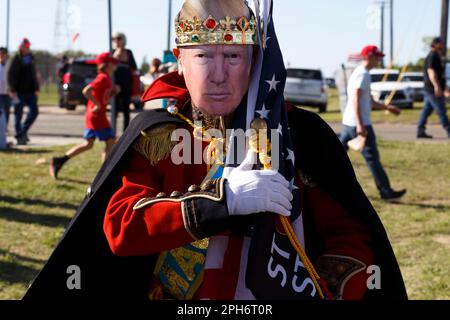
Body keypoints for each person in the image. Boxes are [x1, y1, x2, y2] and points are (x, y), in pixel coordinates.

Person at [24, 0, 407, 301]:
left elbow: (351, 238)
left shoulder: (298, 134)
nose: (219, 74)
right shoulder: (158, 134)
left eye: (233, 56)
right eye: (205, 56)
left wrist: (326, 290)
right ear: (180, 58)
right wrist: (219, 203)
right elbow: (122, 229)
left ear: (255, 59)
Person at [340, 45, 406, 202]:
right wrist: (361, 125)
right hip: (359, 124)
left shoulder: (360, 73)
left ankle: (320, 183)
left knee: (336, 155)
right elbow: (356, 99)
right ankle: (386, 192)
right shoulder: (363, 74)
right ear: (368, 56)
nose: (379, 60)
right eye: (377, 57)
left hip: (350, 122)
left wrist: (387, 107)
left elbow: (368, 101)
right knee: (373, 160)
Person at [49, 52, 119, 179]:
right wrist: (96, 105)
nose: (115, 65)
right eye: (113, 63)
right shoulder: (103, 77)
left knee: (89, 144)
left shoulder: (107, 78)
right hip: (96, 115)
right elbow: (86, 91)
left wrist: (113, 93)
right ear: (106, 65)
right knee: (110, 141)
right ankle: (104, 175)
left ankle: (59, 161)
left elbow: (104, 98)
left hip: (96, 114)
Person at [7, 38, 40, 145]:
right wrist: (12, 89)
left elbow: (34, 74)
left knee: (34, 112)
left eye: (28, 46)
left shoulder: (31, 58)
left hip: (31, 92)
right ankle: (20, 136)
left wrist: (37, 88)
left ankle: (22, 131)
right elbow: (10, 74)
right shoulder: (16, 58)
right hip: (18, 92)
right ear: (21, 46)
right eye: (25, 46)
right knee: (18, 115)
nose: (27, 48)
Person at [417, 37, 450, 139]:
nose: (442, 45)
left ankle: (420, 131)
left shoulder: (437, 56)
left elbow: (440, 75)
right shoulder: (432, 56)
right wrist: (437, 87)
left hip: (432, 89)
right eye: (440, 43)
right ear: (435, 44)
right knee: (441, 110)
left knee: (426, 110)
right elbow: (431, 72)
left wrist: (445, 87)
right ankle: (449, 130)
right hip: (432, 89)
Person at [111, 31, 137, 135]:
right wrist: (115, 58)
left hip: (127, 83)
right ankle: (112, 134)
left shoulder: (128, 52)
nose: (116, 41)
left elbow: (134, 66)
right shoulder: (112, 51)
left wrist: (126, 60)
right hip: (115, 83)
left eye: (118, 38)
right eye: (114, 39)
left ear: (123, 40)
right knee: (115, 109)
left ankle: (125, 134)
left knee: (126, 109)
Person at [0, 47, 10, 149]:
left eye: (4, 54)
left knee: (5, 117)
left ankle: (3, 138)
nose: (2, 56)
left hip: (6, 94)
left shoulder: (8, 65)